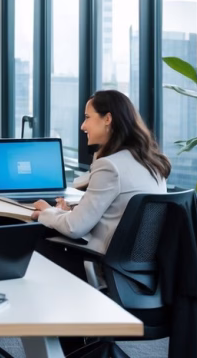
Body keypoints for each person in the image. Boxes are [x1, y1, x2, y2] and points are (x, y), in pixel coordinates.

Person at [32, 90, 170, 257]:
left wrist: (47, 213)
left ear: (107, 119)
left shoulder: (109, 166)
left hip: (100, 262)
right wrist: (65, 213)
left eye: (87, 117)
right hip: (136, 263)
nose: (83, 126)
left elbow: (74, 227)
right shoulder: (153, 163)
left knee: (31, 240)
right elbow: (111, 216)